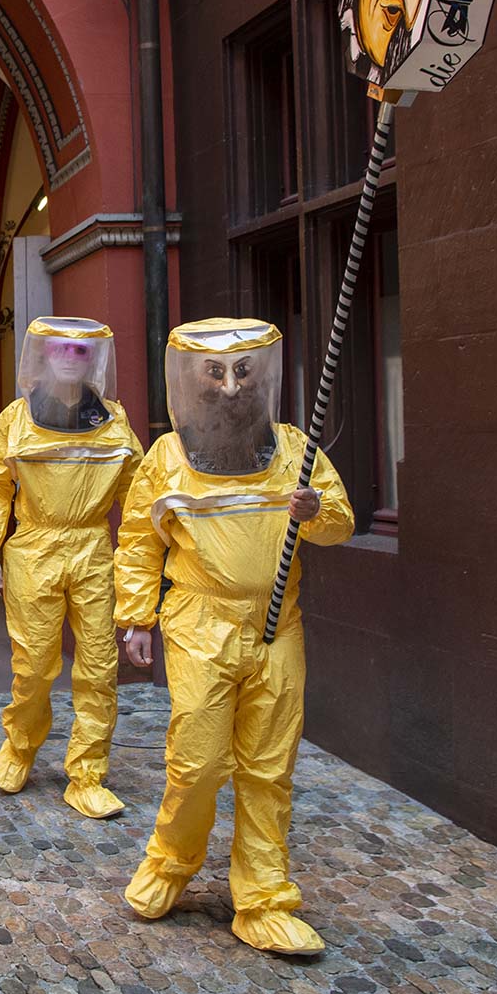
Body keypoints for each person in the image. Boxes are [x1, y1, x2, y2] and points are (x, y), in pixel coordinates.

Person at [116, 318, 354, 955]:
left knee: (269, 767)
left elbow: (340, 522)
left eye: (242, 372)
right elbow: (139, 542)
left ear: (263, 377)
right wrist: (136, 617)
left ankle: (263, 897)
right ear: (191, 380)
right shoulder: (168, 459)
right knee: (197, 761)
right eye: (214, 373)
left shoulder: (295, 451)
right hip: (199, 621)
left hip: (278, 629)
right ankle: (171, 861)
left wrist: (315, 511)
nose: (228, 387)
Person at [0, 316, 143, 819]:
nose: (71, 358)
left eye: (81, 351)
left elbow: (136, 498)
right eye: (60, 349)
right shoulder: (17, 418)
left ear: (94, 360)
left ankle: (87, 773)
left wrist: (145, 566)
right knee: (35, 664)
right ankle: (20, 746)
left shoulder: (113, 421)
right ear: (42, 356)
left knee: (98, 667)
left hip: (93, 546)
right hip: (35, 547)